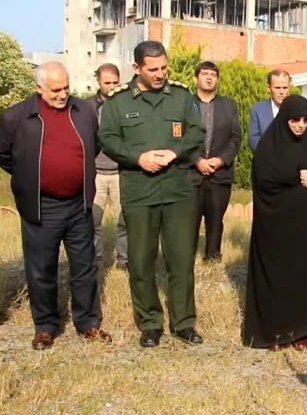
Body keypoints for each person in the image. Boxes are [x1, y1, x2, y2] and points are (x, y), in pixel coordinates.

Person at [0, 61, 110, 350]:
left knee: (84, 267)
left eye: (66, 88)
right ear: (38, 88)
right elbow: (1, 155)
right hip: (41, 207)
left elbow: (95, 144)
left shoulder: (84, 110)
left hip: (78, 204)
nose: (62, 94)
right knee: (41, 269)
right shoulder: (16, 116)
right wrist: (29, 177)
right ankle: (45, 326)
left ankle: (87, 323)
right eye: (56, 89)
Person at [98, 41, 206, 348]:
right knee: (141, 261)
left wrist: (175, 151)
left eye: (163, 68)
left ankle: (184, 323)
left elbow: (196, 132)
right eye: (153, 69)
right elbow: (107, 138)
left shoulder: (182, 96)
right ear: (137, 69)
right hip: (139, 191)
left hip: (177, 191)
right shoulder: (117, 102)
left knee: (181, 261)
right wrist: (139, 157)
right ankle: (150, 323)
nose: (160, 74)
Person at [242, 94, 307, 350]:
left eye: (305, 120)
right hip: (277, 230)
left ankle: (306, 329)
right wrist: (294, 180)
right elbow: (264, 182)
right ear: (284, 119)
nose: (300, 125)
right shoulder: (270, 145)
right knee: (279, 278)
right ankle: (278, 332)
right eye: (294, 120)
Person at [190, 61, 241, 262]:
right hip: (192, 174)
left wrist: (221, 160)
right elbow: (178, 136)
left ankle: (212, 256)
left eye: (213, 74)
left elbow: (236, 137)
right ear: (196, 78)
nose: (209, 77)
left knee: (215, 219)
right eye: (205, 74)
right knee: (190, 219)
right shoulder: (186, 104)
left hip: (220, 173)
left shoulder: (229, 105)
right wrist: (196, 160)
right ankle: (188, 256)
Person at [92, 63, 128, 270]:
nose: (112, 86)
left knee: (125, 220)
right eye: (107, 82)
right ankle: (95, 258)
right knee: (93, 220)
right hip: (96, 172)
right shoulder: (87, 106)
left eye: (116, 82)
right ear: (98, 81)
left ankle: (124, 260)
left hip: (120, 172)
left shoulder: (126, 105)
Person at [247, 69, 290, 151]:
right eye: (277, 88)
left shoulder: (297, 108)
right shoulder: (257, 109)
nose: (281, 92)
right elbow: (253, 138)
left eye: (285, 88)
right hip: (266, 159)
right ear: (268, 88)